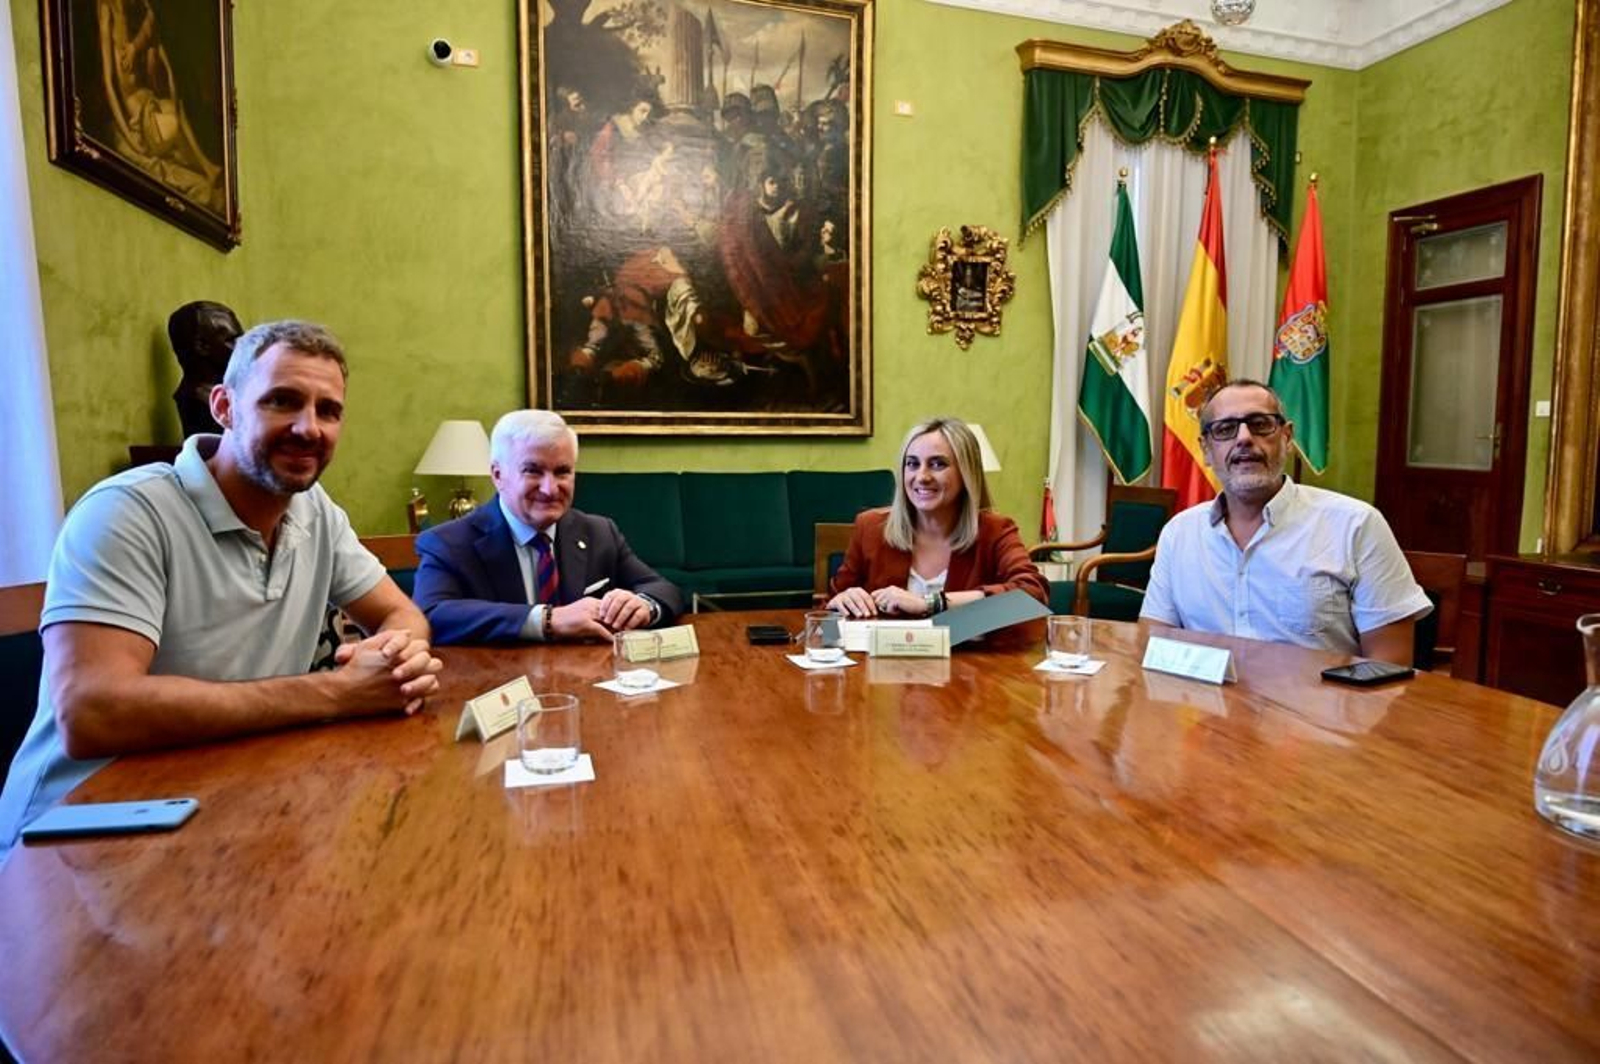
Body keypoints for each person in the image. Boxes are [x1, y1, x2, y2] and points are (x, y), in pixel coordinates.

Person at [0, 320, 443, 853]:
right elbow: (92, 712)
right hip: (75, 834)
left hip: (228, 805)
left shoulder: (316, 512)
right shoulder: (126, 513)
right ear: (224, 407)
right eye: (282, 401)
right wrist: (338, 692)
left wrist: (396, 658)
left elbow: (402, 614)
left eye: (328, 410)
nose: (309, 428)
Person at [1140, 379, 1431, 664]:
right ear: (1205, 449)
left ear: (1287, 437)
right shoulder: (1179, 533)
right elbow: (1153, 647)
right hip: (1205, 697)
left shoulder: (1356, 525)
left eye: (1260, 424)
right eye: (1225, 429)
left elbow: (1388, 666)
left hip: (1320, 698)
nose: (1244, 438)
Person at [414, 410, 684, 644]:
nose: (550, 489)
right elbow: (431, 614)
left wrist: (644, 605)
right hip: (500, 681)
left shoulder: (599, 532)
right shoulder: (447, 543)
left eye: (562, 472)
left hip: (588, 679)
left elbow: (662, 588)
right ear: (498, 475)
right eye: (533, 471)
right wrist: (547, 619)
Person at [828, 416, 1049, 618]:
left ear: (966, 473)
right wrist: (840, 603)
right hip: (884, 650)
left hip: (966, 651)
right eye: (912, 464)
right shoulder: (870, 527)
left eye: (937, 464)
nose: (922, 476)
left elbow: (1033, 594)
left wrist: (932, 603)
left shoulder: (995, 531)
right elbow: (825, 622)